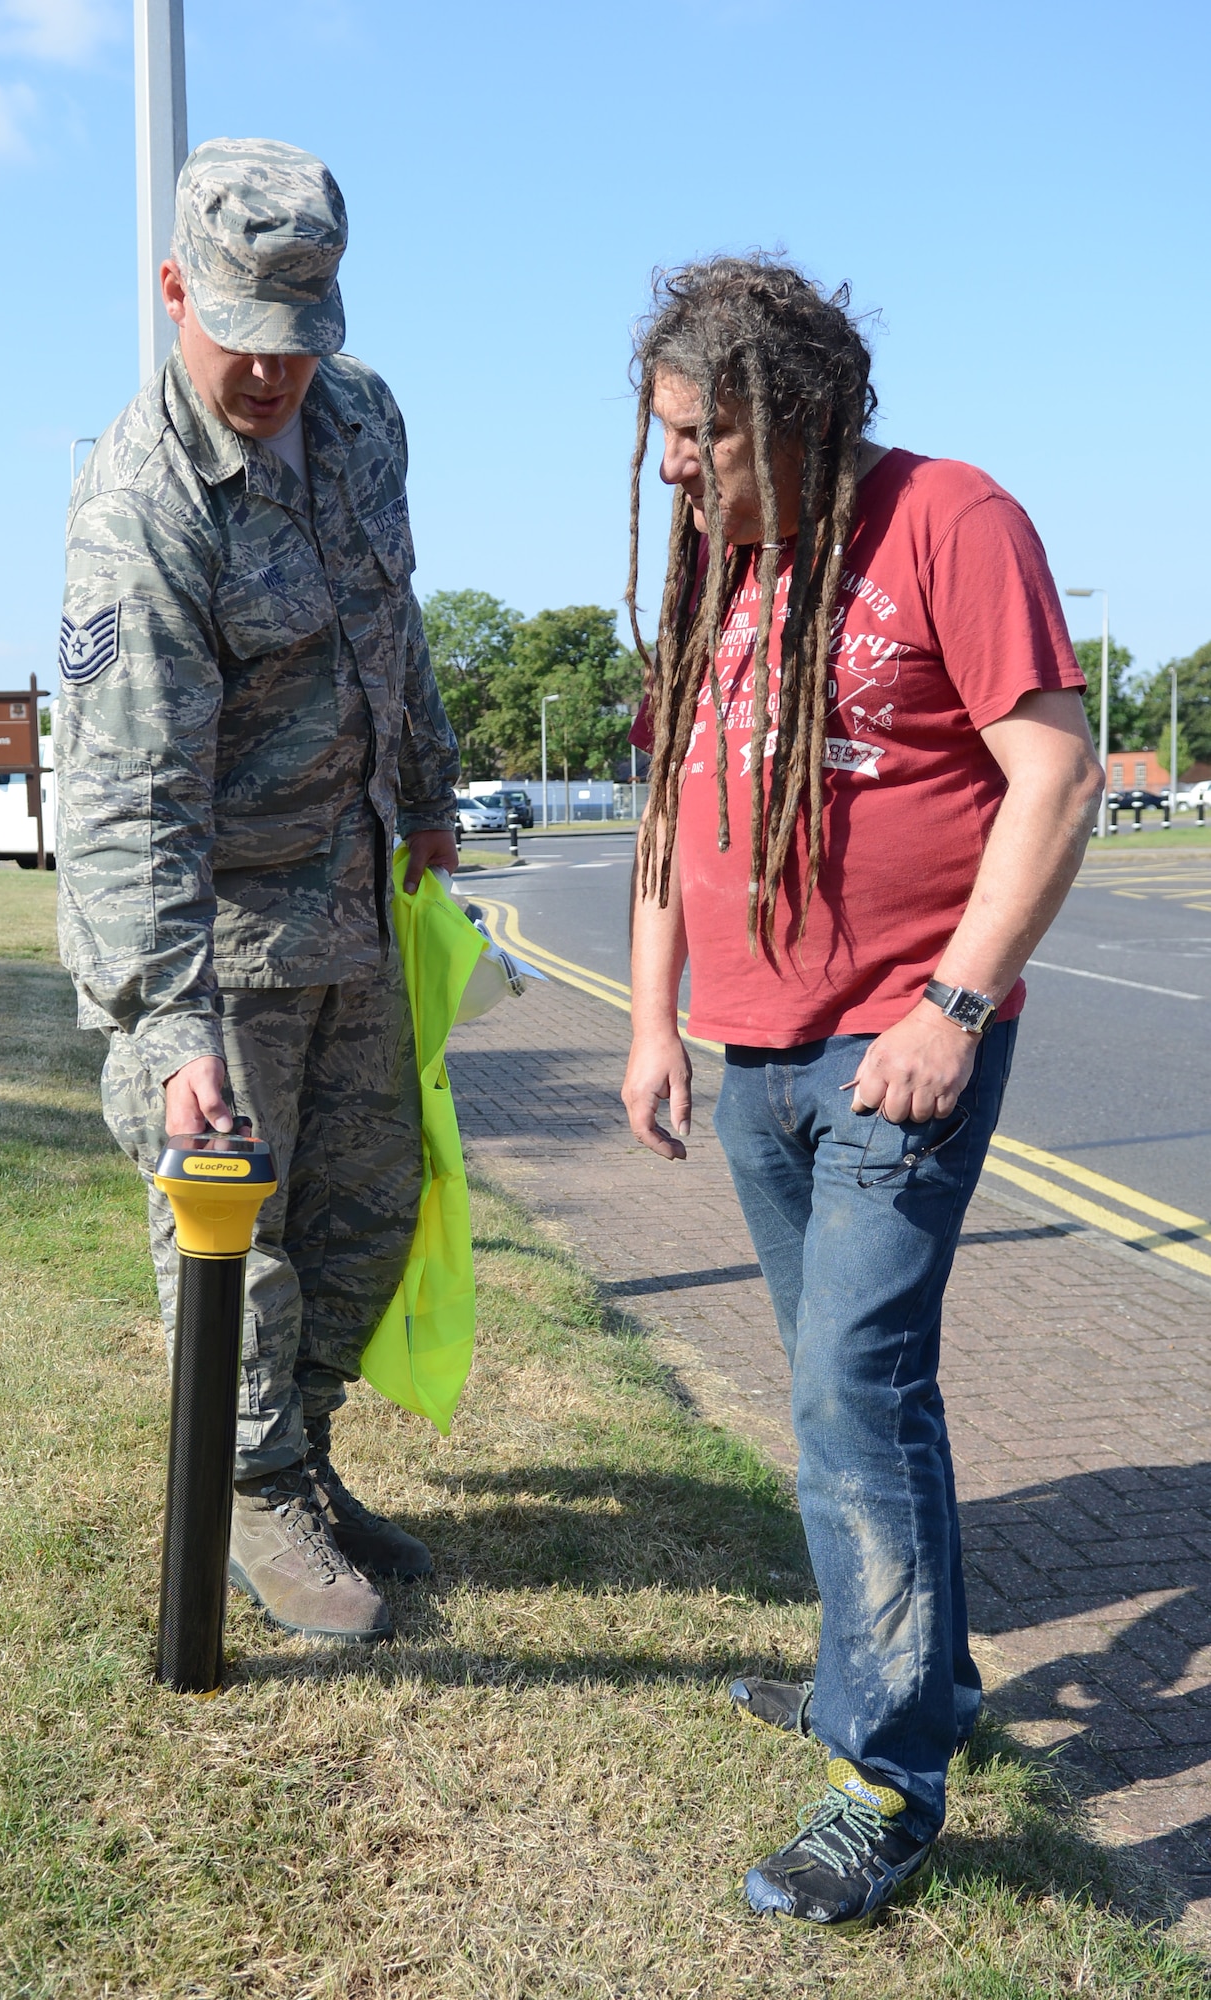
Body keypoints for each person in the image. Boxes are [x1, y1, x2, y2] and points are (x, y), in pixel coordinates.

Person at [621, 256, 1103, 1925]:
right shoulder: (718, 567)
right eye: (661, 436)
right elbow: (671, 806)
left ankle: (885, 1777)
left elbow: (1057, 772)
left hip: (895, 1054)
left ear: (798, 418)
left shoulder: (951, 520)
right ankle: (885, 1675)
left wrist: (954, 1005)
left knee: (848, 1392)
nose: (672, 468)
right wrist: (650, 1022)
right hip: (751, 1056)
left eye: (701, 437)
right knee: (846, 1397)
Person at [56, 138, 460, 1646]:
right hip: (216, 945)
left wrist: (424, 794)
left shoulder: (362, 419)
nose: (277, 375)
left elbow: (390, 616)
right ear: (174, 293)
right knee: (241, 1242)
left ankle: (305, 1454)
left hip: (351, 898)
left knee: (368, 1215)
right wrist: (171, 1034)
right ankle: (254, 1495)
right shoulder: (139, 507)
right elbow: (124, 793)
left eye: (304, 337)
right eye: (246, 339)